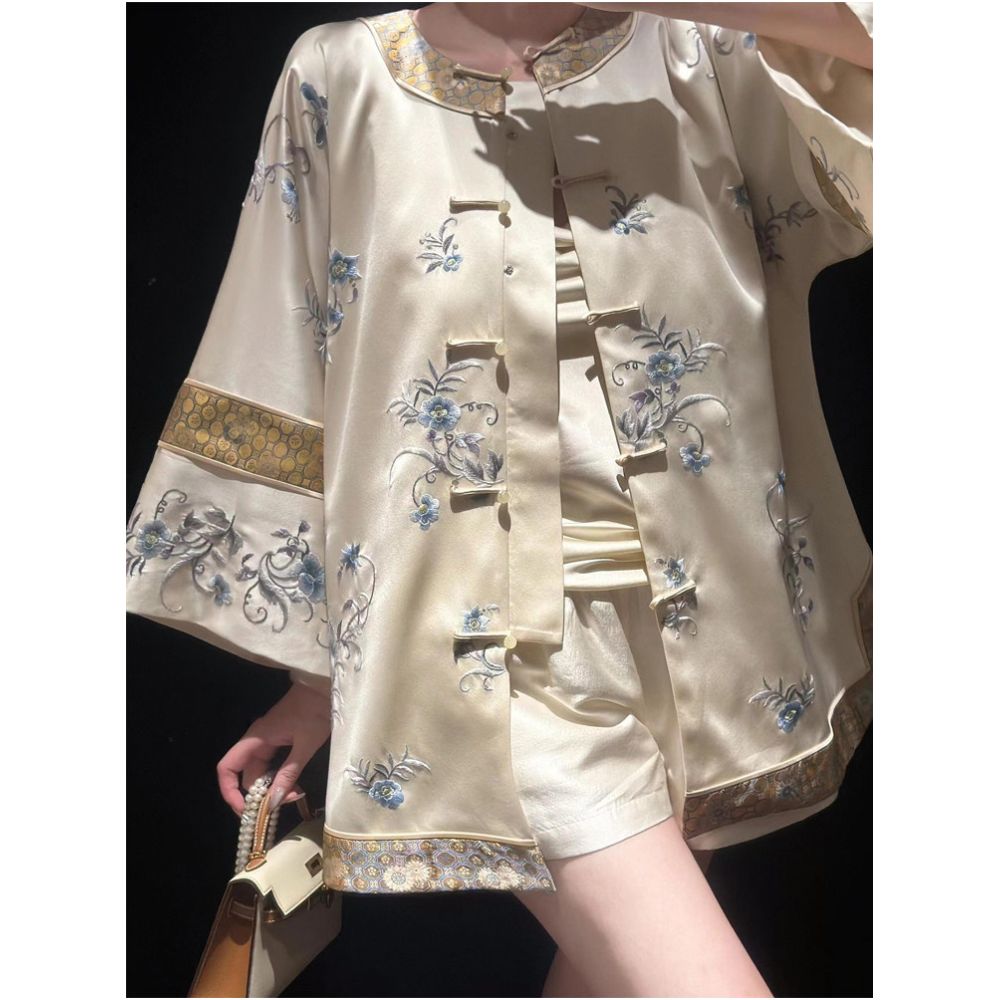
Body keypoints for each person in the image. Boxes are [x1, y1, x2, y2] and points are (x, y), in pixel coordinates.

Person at [127, 3, 872, 996]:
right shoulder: (342, 75)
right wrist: (319, 675)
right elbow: (286, 348)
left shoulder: (701, 47)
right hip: (491, 661)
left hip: (702, 649)